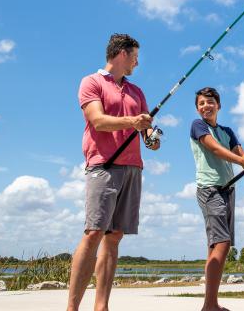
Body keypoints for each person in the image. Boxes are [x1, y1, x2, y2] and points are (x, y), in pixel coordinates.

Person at [67, 33, 160, 311]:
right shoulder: (91, 82)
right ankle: (72, 308)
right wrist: (133, 121)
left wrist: (151, 137)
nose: (137, 63)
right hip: (103, 165)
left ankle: (101, 306)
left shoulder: (137, 91)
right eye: (135, 57)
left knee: (115, 235)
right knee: (94, 232)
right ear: (122, 54)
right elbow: (97, 120)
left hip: (133, 167)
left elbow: (147, 133)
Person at [190, 86, 244, 311]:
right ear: (197, 108)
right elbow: (215, 150)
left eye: (210, 102)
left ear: (219, 105)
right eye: (201, 103)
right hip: (209, 189)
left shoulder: (227, 131)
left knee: (216, 247)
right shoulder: (198, 126)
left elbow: (243, 155)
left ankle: (210, 304)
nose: (206, 106)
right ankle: (209, 306)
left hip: (228, 190)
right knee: (222, 242)